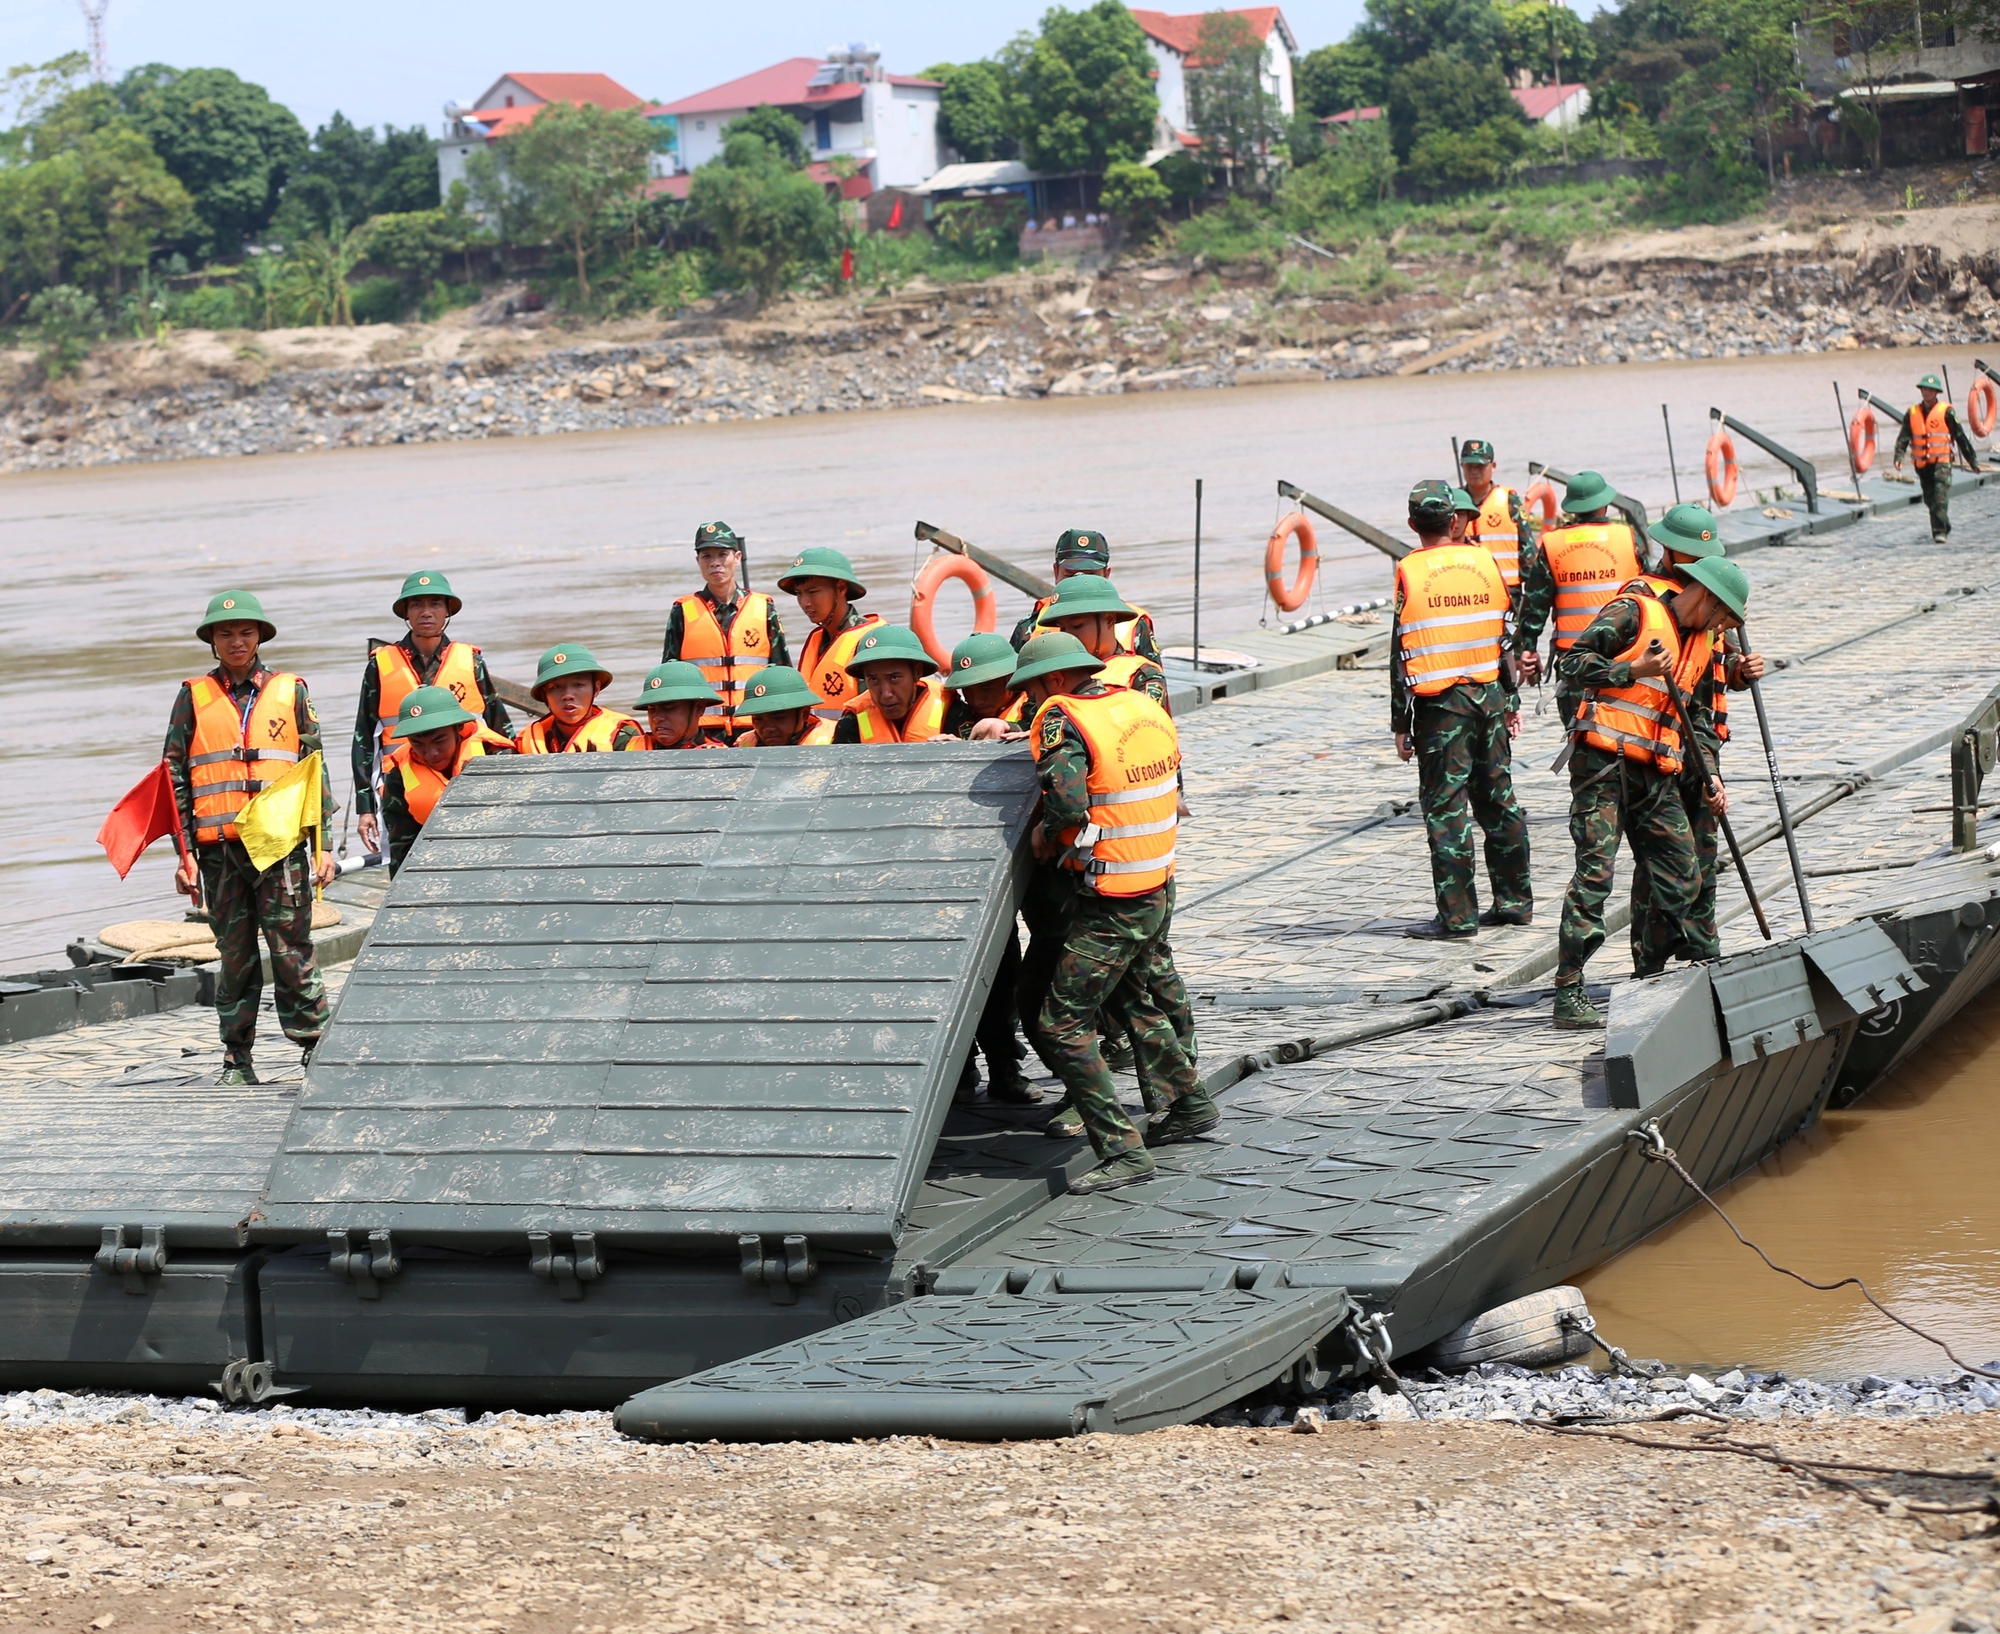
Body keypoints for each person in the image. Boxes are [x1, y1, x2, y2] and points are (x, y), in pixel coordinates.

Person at [1012, 632, 1217, 1194]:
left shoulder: (1062, 718)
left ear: (1053, 680)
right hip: (1156, 879)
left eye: (1031, 689)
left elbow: (1070, 798)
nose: (1029, 701)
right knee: (1130, 995)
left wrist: (1048, 832)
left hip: (1114, 897)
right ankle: (1187, 1101)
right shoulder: (1139, 705)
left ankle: (1122, 1150)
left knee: (1061, 1023)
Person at [1550, 556, 1752, 1028]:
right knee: (1595, 876)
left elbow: (1697, 713)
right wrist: (1633, 668)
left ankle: (1658, 969)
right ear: (1704, 595)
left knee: (1684, 872)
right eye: (1722, 616)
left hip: (1656, 771)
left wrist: (1709, 774)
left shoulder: (1701, 642)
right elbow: (1572, 663)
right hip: (1603, 765)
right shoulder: (1635, 612)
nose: (1721, 628)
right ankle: (1569, 989)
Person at [163, 591, 338, 1086]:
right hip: (219, 852)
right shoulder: (192, 696)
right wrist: (184, 856)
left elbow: (315, 770)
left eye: (245, 632)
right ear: (212, 642)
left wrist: (323, 846)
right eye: (225, 633)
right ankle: (236, 1060)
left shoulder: (291, 690)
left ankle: (312, 1049)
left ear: (260, 636)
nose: (236, 641)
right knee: (234, 956)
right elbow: (173, 774)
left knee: (291, 949)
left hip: (280, 847)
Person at [1619, 505, 1765, 968]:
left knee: (1703, 854)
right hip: (1654, 743)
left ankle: (1702, 953)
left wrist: (1741, 674)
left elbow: (1714, 672)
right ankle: (1651, 958)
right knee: (1661, 861)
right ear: (1670, 548)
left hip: (1702, 741)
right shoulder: (1647, 598)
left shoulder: (1715, 588)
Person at [1390, 480, 1533, 940]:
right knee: (1500, 804)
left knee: (1447, 813)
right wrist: (1512, 700)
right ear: (1455, 520)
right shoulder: (1485, 561)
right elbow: (1504, 637)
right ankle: (1515, 904)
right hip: (1489, 700)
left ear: (1413, 524)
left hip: (1440, 709)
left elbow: (1401, 652)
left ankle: (1457, 918)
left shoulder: (1409, 572)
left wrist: (1400, 723)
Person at [352, 570, 511, 860]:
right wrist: (366, 809)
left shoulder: (471, 661)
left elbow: (502, 730)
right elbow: (364, 740)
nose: (426, 612)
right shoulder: (381, 665)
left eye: (435, 603)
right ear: (406, 613)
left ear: (448, 610)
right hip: (403, 790)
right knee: (406, 870)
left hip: (469, 787)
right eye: (416, 604)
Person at [1512, 470, 1642, 727]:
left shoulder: (1553, 544)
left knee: (1579, 741)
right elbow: (1651, 592)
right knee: (1630, 741)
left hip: (1575, 665)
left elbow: (1535, 605)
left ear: (1571, 509)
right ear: (1604, 505)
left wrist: (1526, 649)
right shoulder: (1627, 538)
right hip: (1626, 660)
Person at [661, 521, 788, 741]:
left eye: (722, 554)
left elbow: (782, 677)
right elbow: (669, 683)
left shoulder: (763, 608)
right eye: (707, 556)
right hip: (701, 734)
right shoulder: (682, 611)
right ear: (698, 561)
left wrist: (770, 730)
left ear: (737, 557)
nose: (715, 563)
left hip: (756, 731)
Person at [378, 684, 516, 875]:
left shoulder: (496, 757)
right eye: (418, 744)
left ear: (458, 728)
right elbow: (401, 847)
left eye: (439, 740)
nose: (431, 753)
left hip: (498, 861)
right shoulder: (399, 773)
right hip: (436, 865)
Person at [1008, 528, 1161, 660]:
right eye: (1070, 575)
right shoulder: (1030, 627)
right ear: (1056, 573)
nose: (1080, 584)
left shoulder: (1134, 624)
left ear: (1106, 575)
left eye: (1090, 575)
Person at [776, 546, 878, 725]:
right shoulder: (817, 640)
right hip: (817, 746)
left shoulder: (869, 641)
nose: (805, 603)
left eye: (813, 592)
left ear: (840, 588)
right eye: (799, 594)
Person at [1033, 576, 1171, 709]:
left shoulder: (1142, 675)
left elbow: (1144, 726)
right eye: (1062, 628)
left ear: (1109, 620)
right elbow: (1028, 718)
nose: (1068, 636)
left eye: (1077, 626)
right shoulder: (1054, 676)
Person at [1891, 373, 1981, 542]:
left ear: (1936, 392)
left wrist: (1972, 461)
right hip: (1922, 465)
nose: (1927, 392)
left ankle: (1939, 532)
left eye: (1931, 390)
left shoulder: (1947, 412)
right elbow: (1904, 437)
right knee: (1930, 500)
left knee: (1939, 498)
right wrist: (1899, 456)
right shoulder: (1912, 413)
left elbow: (1960, 437)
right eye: (1925, 389)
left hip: (1942, 462)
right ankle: (1944, 523)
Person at [514, 644, 642, 753]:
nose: (568, 695)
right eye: (556, 687)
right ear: (544, 694)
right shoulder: (524, 742)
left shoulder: (623, 737)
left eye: (578, 685)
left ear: (596, 689)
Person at [831, 626, 949, 743]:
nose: (885, 694)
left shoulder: (952, 713)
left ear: (917, 672)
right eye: (873, 680)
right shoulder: (851, 724)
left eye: (894, 678)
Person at [1458, 439, 1532, 594]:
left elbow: (1527, 549)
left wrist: (1531, 592)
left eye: (1480, 466)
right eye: (1469, 466)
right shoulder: (1454, 503)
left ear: (1493, 466)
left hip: (1507, 591)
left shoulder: (1509, 500)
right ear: (1462, 466)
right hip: (1467, 590)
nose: (1474, 471)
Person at [941, 632, 1027, 739]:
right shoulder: (957, 716)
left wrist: (1013, 728)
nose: (977, 701)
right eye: (967, 690)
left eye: (986, 688)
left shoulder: (1034, 707)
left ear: (1010, 678)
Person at [626, 661, 726, 750]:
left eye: (668, 708)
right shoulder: (633, 748)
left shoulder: (717, 755)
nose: (657, 718)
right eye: (652, 709)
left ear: (699, 708)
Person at [733, 666, 836, 746]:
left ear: (804, 714)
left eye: (779, 718)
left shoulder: (837, 738)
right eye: (758, 719)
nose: (768, 728)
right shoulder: (744, 744)